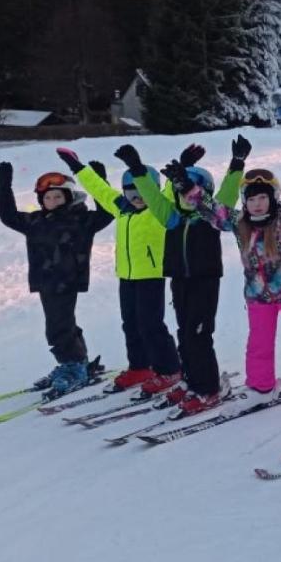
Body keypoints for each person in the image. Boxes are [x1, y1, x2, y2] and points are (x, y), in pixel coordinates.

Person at [166, 162, 281, 418]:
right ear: (244, 201)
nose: (257, 204)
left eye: (263, 198)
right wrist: (186, 186)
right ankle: (261, 386)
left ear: (273, 199)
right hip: (258, 296)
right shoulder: (239, 222)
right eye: (252, 199)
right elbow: (210, 209)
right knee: (258, 343)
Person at [120, 137, 246, 415]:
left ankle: (208, 388)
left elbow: (227, 194)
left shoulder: (212, 217)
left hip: (204, 281)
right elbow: (153, 198)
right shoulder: (172, 218)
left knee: (199, 335)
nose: (185, 194)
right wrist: (138, 170)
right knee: (184, 333)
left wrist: (237, 165)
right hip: (180, 279)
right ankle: (191, 380)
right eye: (180, 190)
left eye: (190, 190)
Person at [56, 146, 181, 397]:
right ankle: (140, 366)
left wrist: (147, 171)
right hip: (126, 275)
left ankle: (169, 368)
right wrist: (78, 168)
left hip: (151, 275)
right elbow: (99, 190)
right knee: (130, 324)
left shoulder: (158, 211)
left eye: (142, 190)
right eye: (130, 190)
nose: (137, 196)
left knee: (151, 324)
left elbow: (167, 193)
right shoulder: (121, 208)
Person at [0, 160, 113, 397]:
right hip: (45, 280)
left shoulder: (82, 219)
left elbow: (107, 211)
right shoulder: (37, 221)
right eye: (47, 198)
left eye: (57, 197)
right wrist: (4, 184)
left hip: (67, 279)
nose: (51, 202)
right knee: (63, 323)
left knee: (58, 326)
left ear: (69, 197)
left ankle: (73, 366)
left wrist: (100, 181)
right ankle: (77, 361)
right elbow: (8, 216)